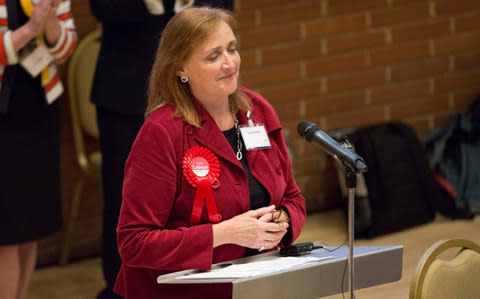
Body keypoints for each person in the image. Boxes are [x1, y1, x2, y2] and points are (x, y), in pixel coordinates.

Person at [113, 7, 306, 298]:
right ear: (181, 69)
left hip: (254, 285)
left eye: (232, 49)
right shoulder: (162, 132)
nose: (230, 63)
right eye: (213, 56)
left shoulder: (258, 110)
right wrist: (224, 234)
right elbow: (134, 242)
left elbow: (293, 198)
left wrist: (284, 221)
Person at [89, 1, 234, 298]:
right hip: (126, 90)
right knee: (122, 199)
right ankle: (121, 290)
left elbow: (223, 8)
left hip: (196, 92)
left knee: (202, 191)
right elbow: (104, 7)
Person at [0, 0, 76, 298]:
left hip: (38, 110)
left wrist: (49, 23)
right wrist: (30, 29)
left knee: (29, 229)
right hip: (3, 123)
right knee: (6, 234)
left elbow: (65, 49)